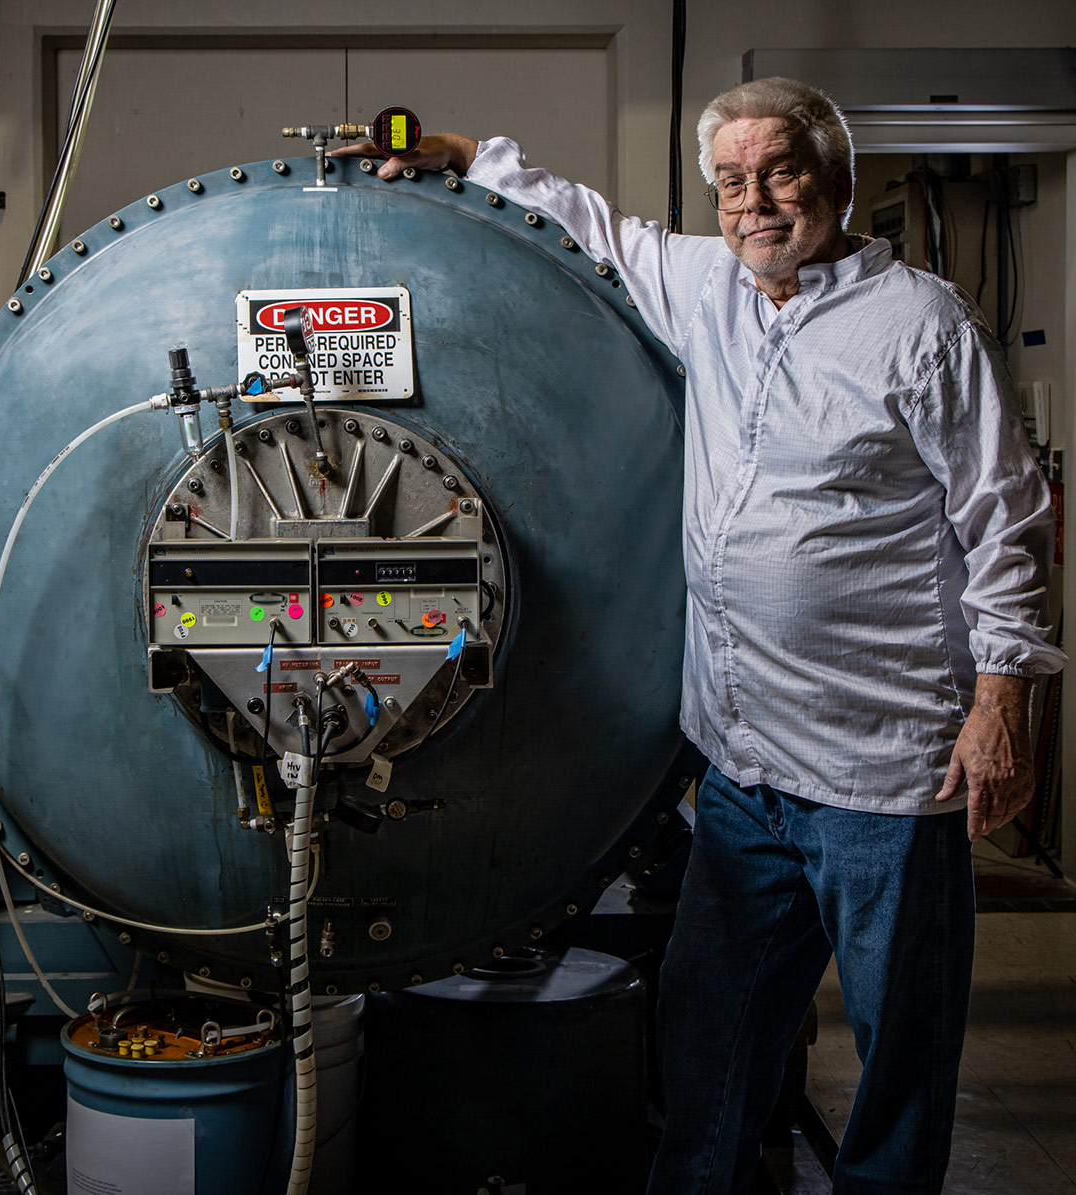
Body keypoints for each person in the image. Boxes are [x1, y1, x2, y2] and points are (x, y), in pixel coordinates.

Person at [332, 77, 1066, 1194]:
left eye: (779, 173)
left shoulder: (920, 325)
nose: (753, 202)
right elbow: (592, 223)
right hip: (743, 770)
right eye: (730, 180)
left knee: (899, 1057)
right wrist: (461, 152)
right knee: (708, 1032)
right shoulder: (713, 286)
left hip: (886, 775)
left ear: (838, 180)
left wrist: (1002, 703)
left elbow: (1006, 518)